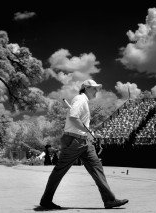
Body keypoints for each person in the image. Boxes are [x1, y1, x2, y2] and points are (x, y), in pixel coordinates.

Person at [40, 79, 128, 209]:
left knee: (97, 168)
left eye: (97, 89)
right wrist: (87, 131)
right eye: (94, 88)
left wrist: (88, 132)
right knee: (60, 170)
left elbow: (79, 122)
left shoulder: (83, 101)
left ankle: (109, 200)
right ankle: (46, 201)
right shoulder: (80, 99)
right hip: (74, 141)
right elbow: (74, 118)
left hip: (83, 141)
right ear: (86, 88)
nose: (96, 91)